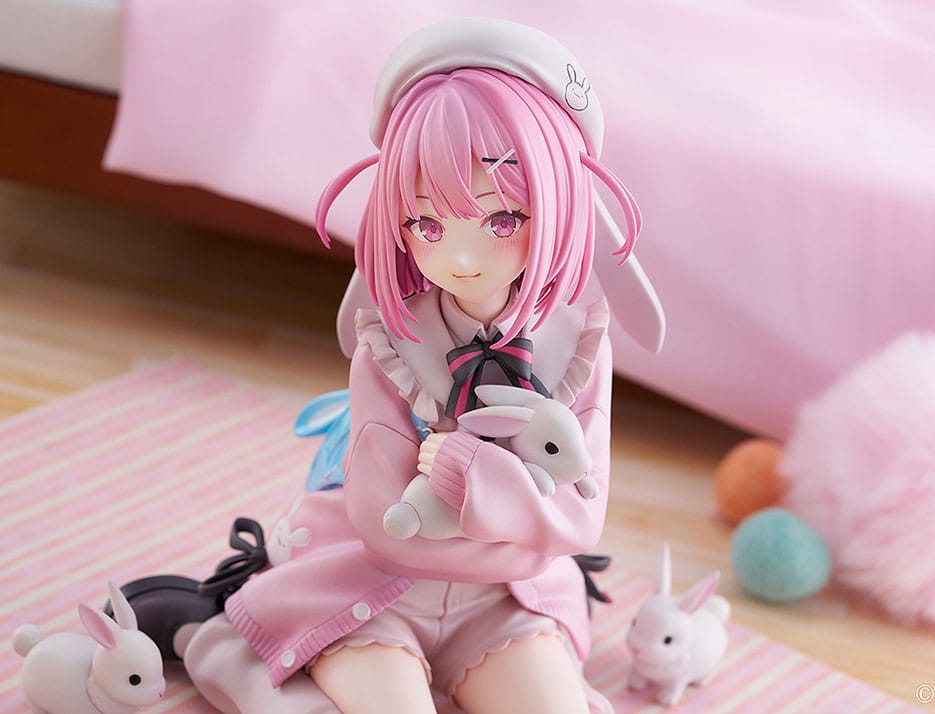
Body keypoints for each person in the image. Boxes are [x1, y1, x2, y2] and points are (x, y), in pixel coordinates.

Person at [150, 18, 662, 714]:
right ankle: (233, 650)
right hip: (370, 590)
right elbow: (383, 521)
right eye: (427, 224)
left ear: (559, 202)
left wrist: (469, 477)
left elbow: (578, 520)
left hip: (506, 605)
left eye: (503, 220)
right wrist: (518, 518)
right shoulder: (389, 345)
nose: (462, 257)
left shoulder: (576, 346)